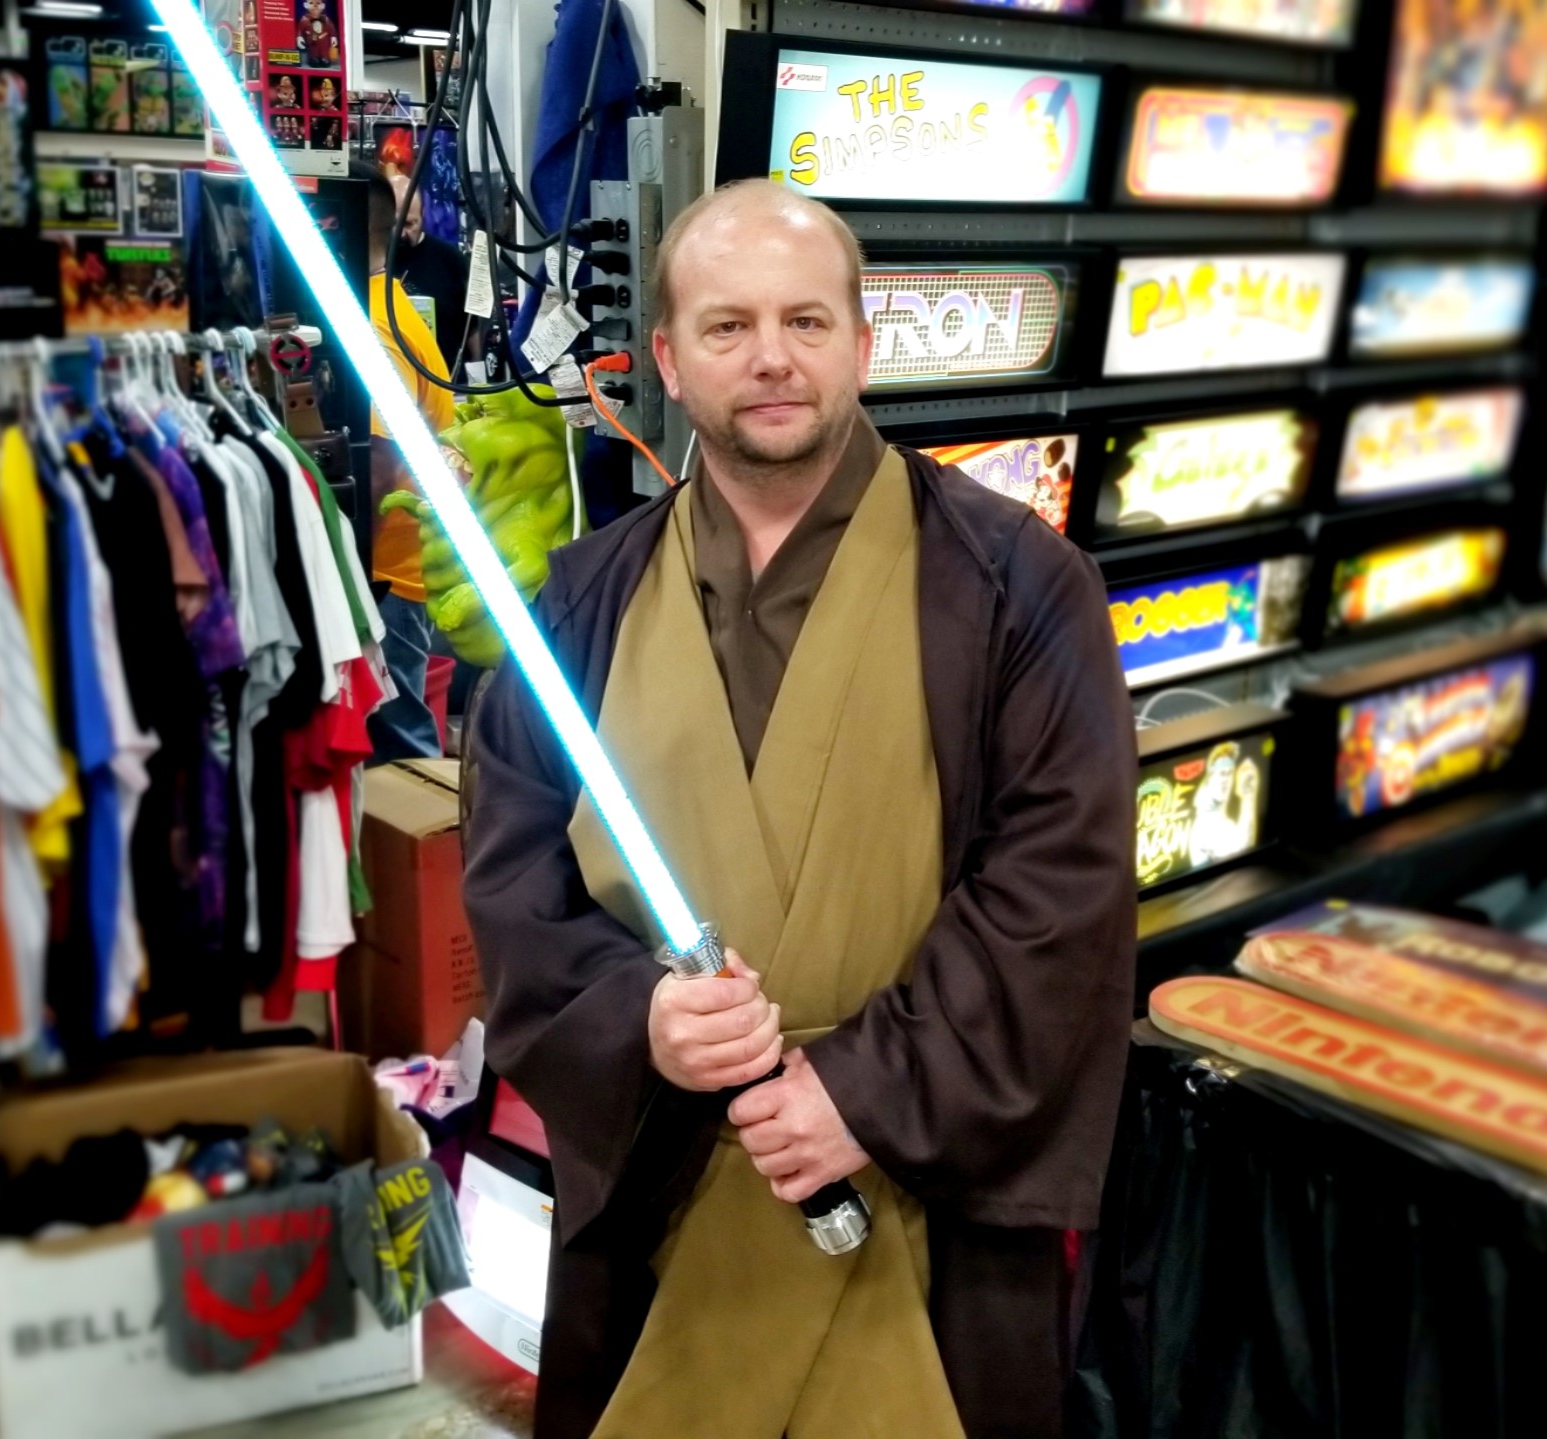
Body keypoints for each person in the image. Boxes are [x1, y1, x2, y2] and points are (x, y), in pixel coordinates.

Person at [461, 178, 1135, 1437]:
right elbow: (513, 880)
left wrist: (863, 1092)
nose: (770, 357)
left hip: (921, 1186)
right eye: (726, 326)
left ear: (861, 345)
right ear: (668, 359)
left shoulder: (1015, 584)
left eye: (805, 321)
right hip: (668, 1181)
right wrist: (639, 1017)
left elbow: (1062, 887)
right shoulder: (583, 603)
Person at [358, 157, 458, 761]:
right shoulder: (391, 303)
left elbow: (379, 459)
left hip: (386, 571)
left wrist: (352, 570)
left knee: (398, 741)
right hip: (404, 561)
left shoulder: (372, 327)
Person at [390, 180, 469, 364]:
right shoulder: (372, 261)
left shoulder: (450, 260)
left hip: (444, 373)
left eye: (409, 224)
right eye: (394, 224)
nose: (401, 233)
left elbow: (471, 329)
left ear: (423, 214)